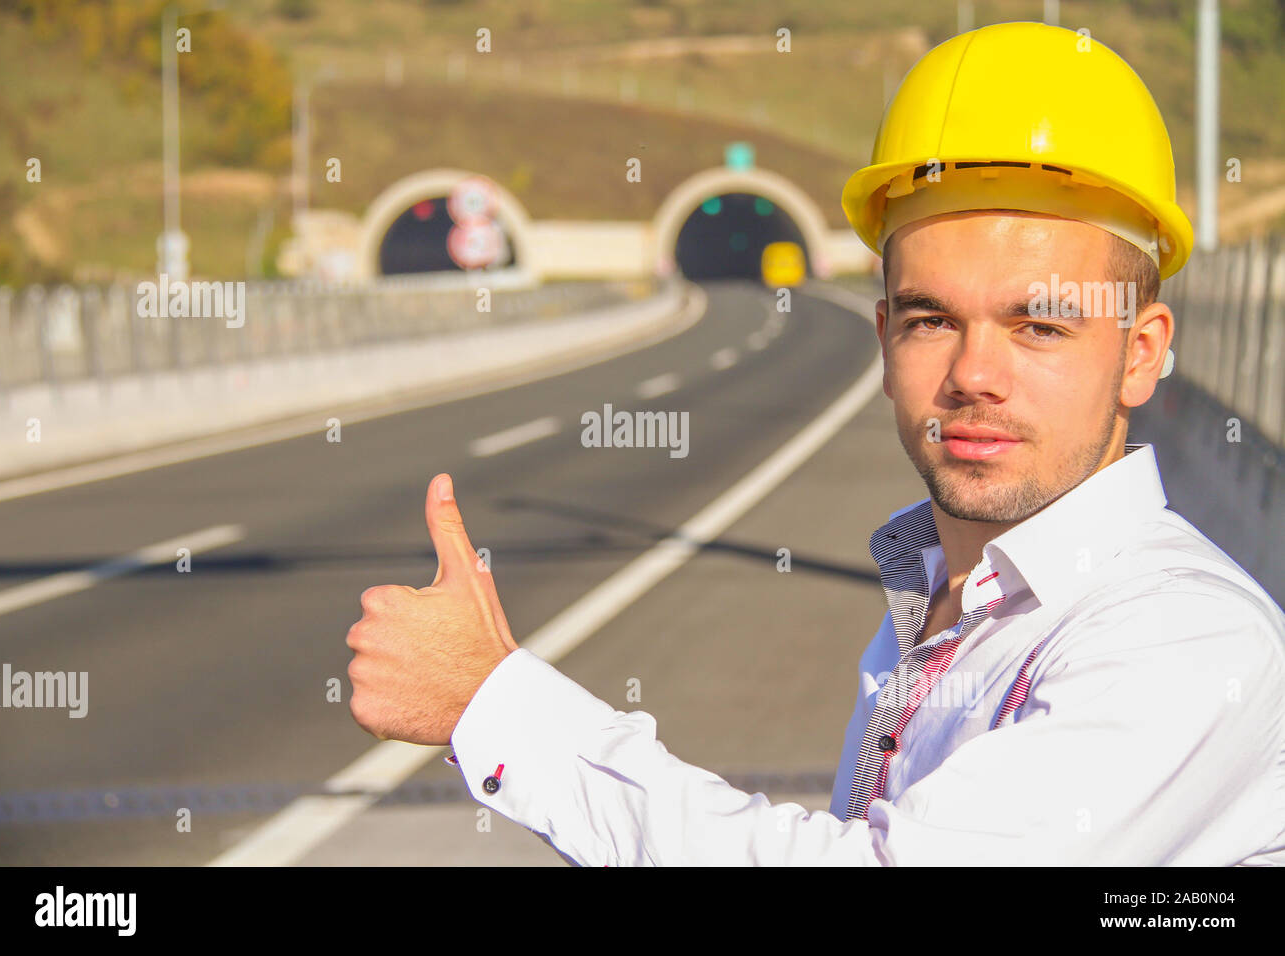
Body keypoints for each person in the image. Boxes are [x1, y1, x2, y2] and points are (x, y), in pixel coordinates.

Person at [344, 22, 1285, 865]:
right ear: (883, 342)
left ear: (1141, 353)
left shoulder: (1188, 641)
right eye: (930, 319)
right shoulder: (949, 601)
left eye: (1040, 326)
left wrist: (494, 706)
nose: (973, 375)